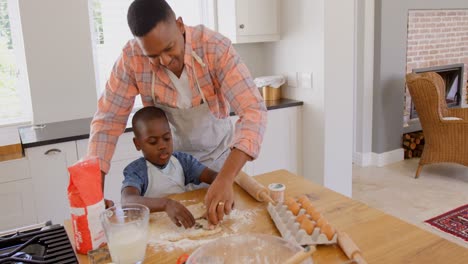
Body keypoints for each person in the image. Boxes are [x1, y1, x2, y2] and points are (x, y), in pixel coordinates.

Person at [87, 0, 267, 225]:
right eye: (153, 56)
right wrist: (93, 195)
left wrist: (225, 178)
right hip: (173, 169)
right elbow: (107, 122)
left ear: (180, 26)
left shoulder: (214, 48)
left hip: (219, 164)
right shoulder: (132, 59)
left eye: (169, 48)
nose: (164, 61)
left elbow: (253, 111)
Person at [122, 106, 218, 228]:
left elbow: (214, 177)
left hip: (182, 225)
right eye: (153, 142)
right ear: (138, 144)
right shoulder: (137, 171)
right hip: (155, 229)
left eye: (167, 138)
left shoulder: (183, 161)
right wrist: (165, 204)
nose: (162, 145)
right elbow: (127, 201)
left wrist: (221, 189)